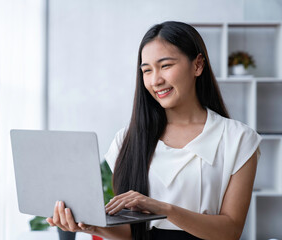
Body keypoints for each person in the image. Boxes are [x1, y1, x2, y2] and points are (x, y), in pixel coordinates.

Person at [47, 21, 261, 240]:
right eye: (147, 70)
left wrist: (165, 209)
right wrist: (89, 226)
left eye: (165, 66)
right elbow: (131, 233)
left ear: (197, 65)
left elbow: (231, 231)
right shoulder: (127, 140)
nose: (156, 80)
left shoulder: (238, 139)